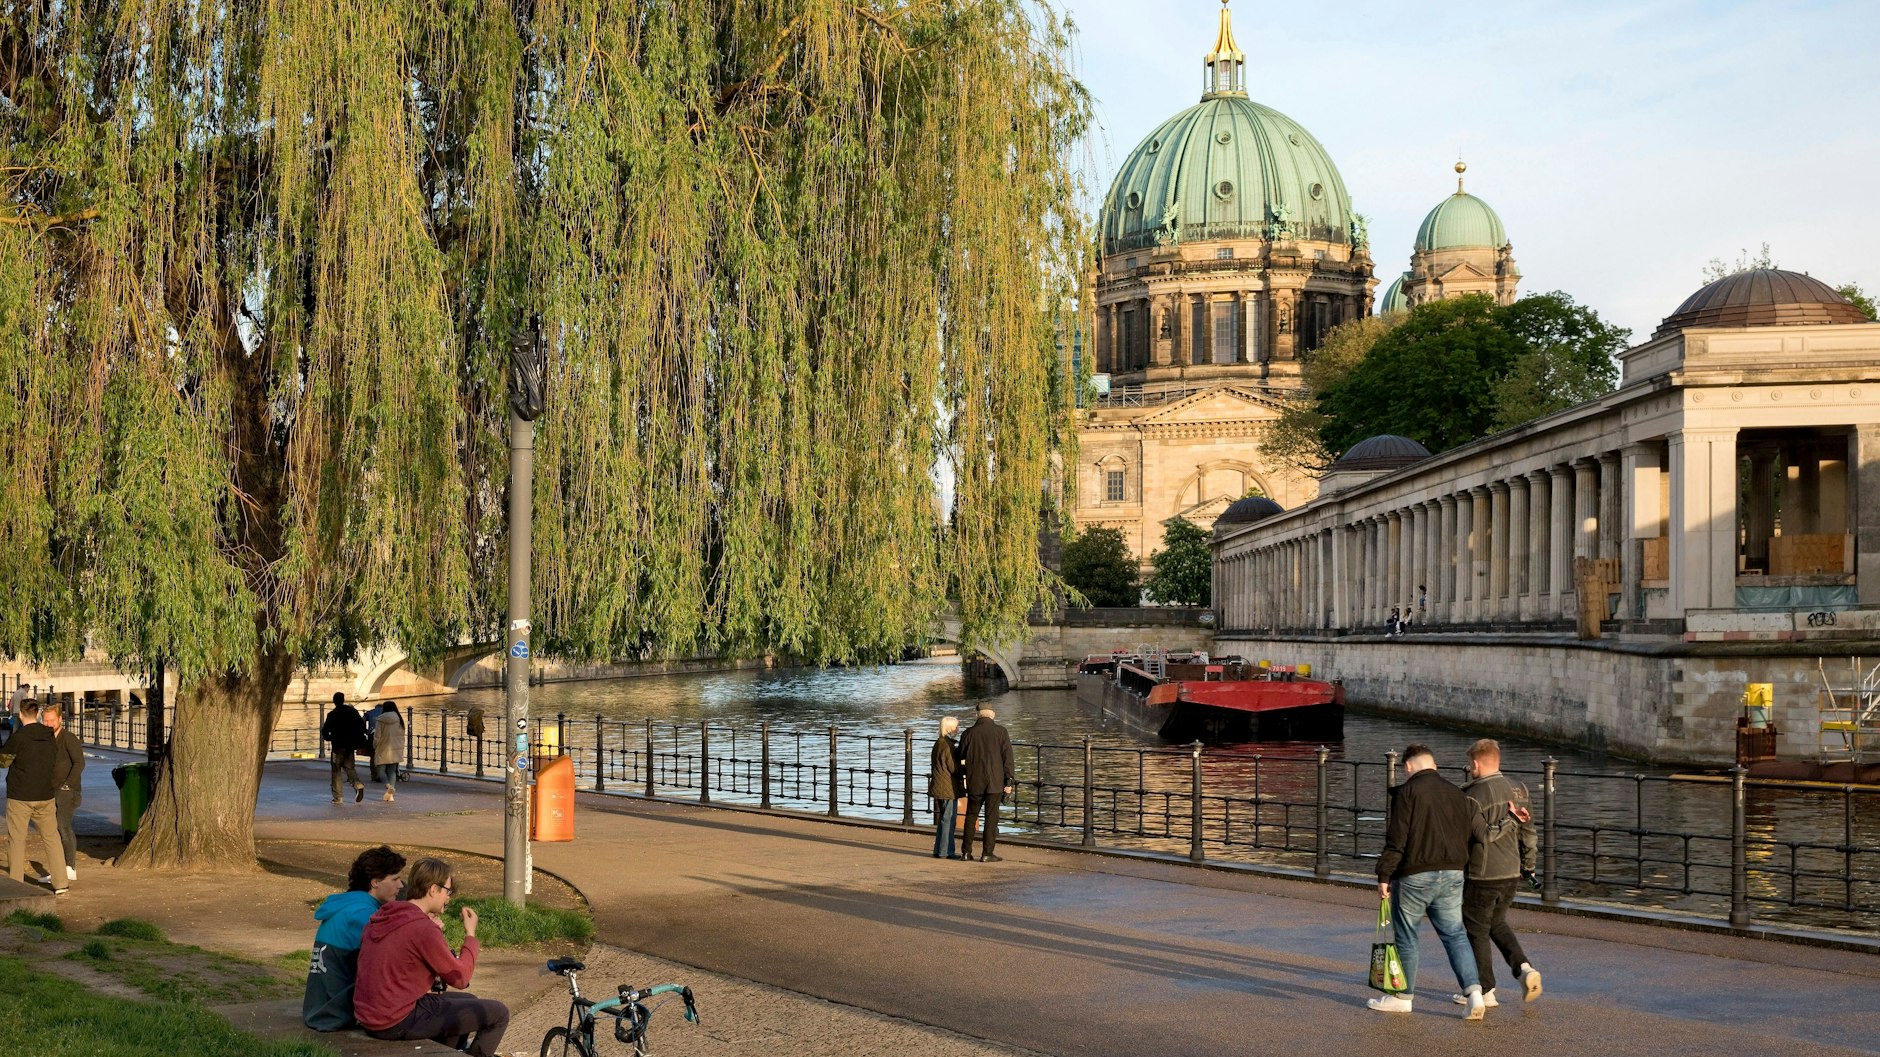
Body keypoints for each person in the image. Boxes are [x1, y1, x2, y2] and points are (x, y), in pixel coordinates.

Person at [1369, 743, 1484, 1019]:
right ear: (1434, 765)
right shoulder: (1458, 794)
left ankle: (1403, 997)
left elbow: (1397, 840)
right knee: (1455, 935)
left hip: (1416, 874)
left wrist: (1384, 874)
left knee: (1407, 936)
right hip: (1454, 873)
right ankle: (1475, 994)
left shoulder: (1407, 793)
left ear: (1408, 766)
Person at [356, 857, 509, 1057]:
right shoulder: (422, 928)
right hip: (396, 1020)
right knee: (498, 1013)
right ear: (433, 889)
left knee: (468, 1001)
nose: (448, 898)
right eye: (447, 891)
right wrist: (470, 936)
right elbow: (460, 978)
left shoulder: (387, 916)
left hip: (371, 1015)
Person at [1455, 739, 1543, 1009]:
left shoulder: (1471, 795)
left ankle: (1485, 989)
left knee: (1476, 929)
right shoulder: (1519, 789)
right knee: (1497, 923)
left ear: (1476, 764)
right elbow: (1529, 834)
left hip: (1482, 872)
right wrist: (1528, 866)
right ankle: (1524, 968)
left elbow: (1468, 837)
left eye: (1471, 764)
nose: (1470, 769)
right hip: (1511, 871)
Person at [303, 845, 408, 1030]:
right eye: (395, 879)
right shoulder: (363, 915)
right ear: (375, 882)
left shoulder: (347, 905)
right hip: (337, 1015)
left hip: (319, 1007)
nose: (401, 885)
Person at [3, 699, 70, 893]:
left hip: (20, 795)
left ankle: (16, 884)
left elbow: (3, 762)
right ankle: (61, 883)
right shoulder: (49, 735)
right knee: (51, 837)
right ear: (38, 714)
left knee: (17, 839)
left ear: (21, 715)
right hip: (45, 794)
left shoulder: (19, 737)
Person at [959, 707, 1014, 863]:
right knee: (991, 818)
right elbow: (1007, 759)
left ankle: (966, 852)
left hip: (974, 781)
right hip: (994, 783)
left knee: (971, 816)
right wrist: (1009, 780)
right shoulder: (1001, 732)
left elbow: (960, 755)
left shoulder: (968, 733)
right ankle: (987, 853)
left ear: (977, 715)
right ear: (993, 715)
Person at [42, 700, 84, 884]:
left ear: (60, 719)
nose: (48, 724)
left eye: (51, 720)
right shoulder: (46, 739)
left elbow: (79, 762)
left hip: (67, 791)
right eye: (45, 720)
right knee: (54, 829)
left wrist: (68, 785)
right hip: (51, 789)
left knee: (63, 826)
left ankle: (70, 867)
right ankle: (60, 869)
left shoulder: (69, 738)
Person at [928, 716, 966, 859]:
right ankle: (946, 851)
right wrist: (964, 765)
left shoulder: (939, 743)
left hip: (939, 784)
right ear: (950, 728)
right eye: (956, 727)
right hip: (948, 786)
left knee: (944, 819)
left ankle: (939, 850)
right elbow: (953, 768)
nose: (958, 729)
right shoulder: (947, 745)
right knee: (949, 819)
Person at [320, 692, 368, 805]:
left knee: (336, 771)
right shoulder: (352, 712)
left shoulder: (332, 714)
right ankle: (357, 784)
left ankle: (338, 797)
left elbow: (325, 730)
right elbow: (361, 724)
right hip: (350, 745)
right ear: (343, 699)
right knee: (350, 767)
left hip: (337, 745)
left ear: (334, 701)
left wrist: (329, 737)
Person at [373, 702, 405, 802]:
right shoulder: (399, 718)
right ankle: (391, 796)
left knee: (380, 770)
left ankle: (388, 786)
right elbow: (402, 735)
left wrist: (374, 746)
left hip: (383, 747)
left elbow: (377, 736)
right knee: (392, 771)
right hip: (396, 748)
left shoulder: (381, 719)